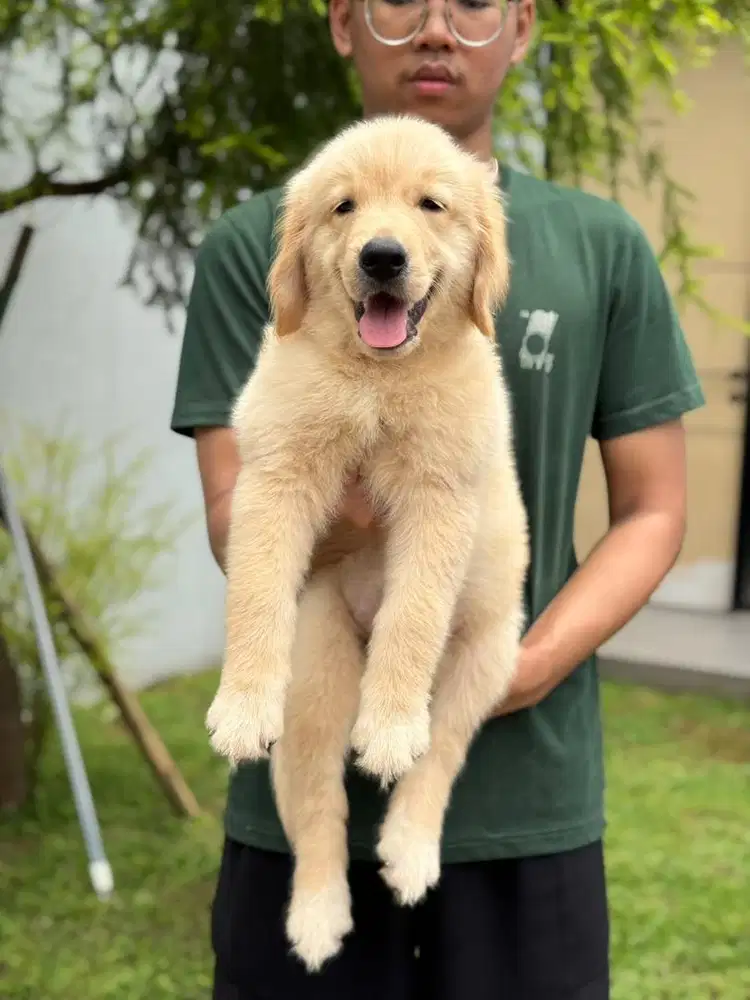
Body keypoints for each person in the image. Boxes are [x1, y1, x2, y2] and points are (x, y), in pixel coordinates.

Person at [170, 1, 705, 997]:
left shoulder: (601, 245)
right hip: (300, 771)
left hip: (524, 792)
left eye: (470, 5)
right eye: (398, 4)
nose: (433, 30)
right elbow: (233, 510)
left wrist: (528, 662)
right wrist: (365, 510)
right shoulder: (259, 243)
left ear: (522, 27)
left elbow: (655, 509)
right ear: (341, 25)